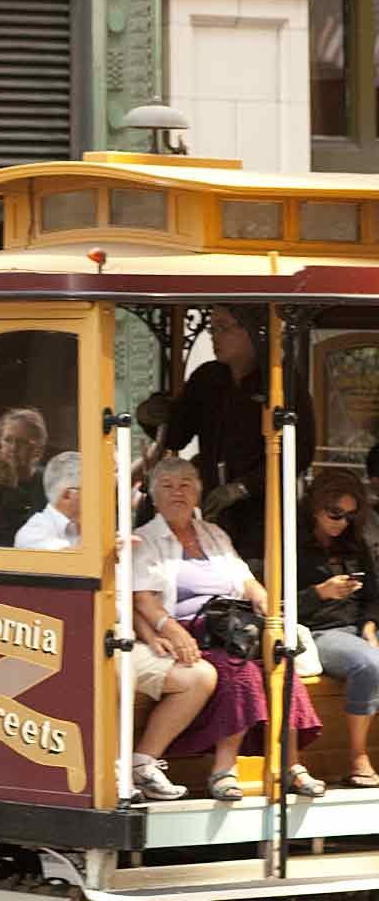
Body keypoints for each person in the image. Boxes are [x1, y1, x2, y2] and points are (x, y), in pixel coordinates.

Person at [132, 456, 324, 800]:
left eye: (185, 485)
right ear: (154, 496)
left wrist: (265, 603)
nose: (177, 492)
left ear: (198, 492)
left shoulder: (214, 533)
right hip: (191, 631)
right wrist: (172, 631)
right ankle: (224, 769)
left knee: (281, 663)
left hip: (235, 628)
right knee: (241, 672)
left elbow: (246, 580)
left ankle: (291, 764)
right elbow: (143, 599)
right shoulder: (145, 539)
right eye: (168, 486)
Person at [136, 304, 314, 562]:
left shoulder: (280, 381)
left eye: (222, 328)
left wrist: (242, 488)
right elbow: (177, 435)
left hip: (262, 513)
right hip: (213, 510)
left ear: (252, 331)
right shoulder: (207, 378)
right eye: (212, 329)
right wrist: (152, 417)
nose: (214, 337)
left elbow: (301, 451)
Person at [296, 468, 379, 787]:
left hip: (358, 628)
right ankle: (358, 756)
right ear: (317, 506)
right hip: (318, 631)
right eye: (335, 513)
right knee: (368, 663)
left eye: (349, 516)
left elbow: (373, 596)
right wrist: (321, 592)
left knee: (368, 655)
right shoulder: (291, 544)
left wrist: (369, 626)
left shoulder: (354, 544)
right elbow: (275, 605)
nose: (341, 522)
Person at [0, 407, 47, 547]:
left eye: (22, 442)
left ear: (38, 449)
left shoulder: (49, 483)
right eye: (8, 440)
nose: (13, 447)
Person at [15, 451, 81, 550]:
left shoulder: (81, 525)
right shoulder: (31, 534)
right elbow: (79, 555)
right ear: (67, 495)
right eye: (92, 490)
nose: (98, 497)